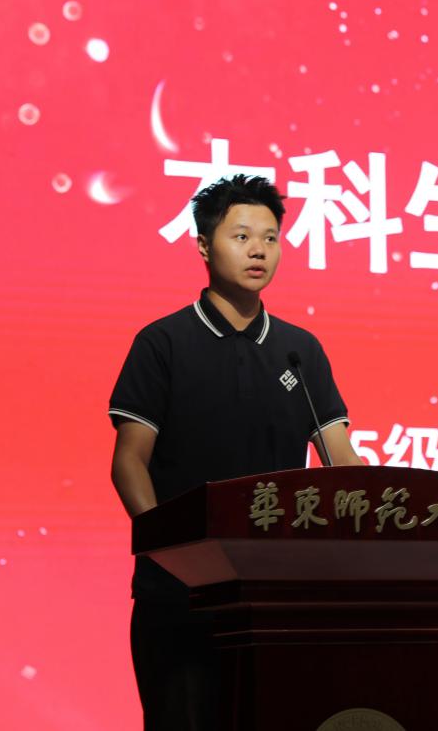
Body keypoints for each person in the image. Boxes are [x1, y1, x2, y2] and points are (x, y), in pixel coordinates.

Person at [108, 174, 362, 729]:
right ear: (204, 246)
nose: (258, 251)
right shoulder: (163, 343)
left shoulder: (300, 350)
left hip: (276, 595)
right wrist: (170, 550)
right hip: (181, 595)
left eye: (270, 238)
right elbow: (129, 462)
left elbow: (341, 459)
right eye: (242, 236)